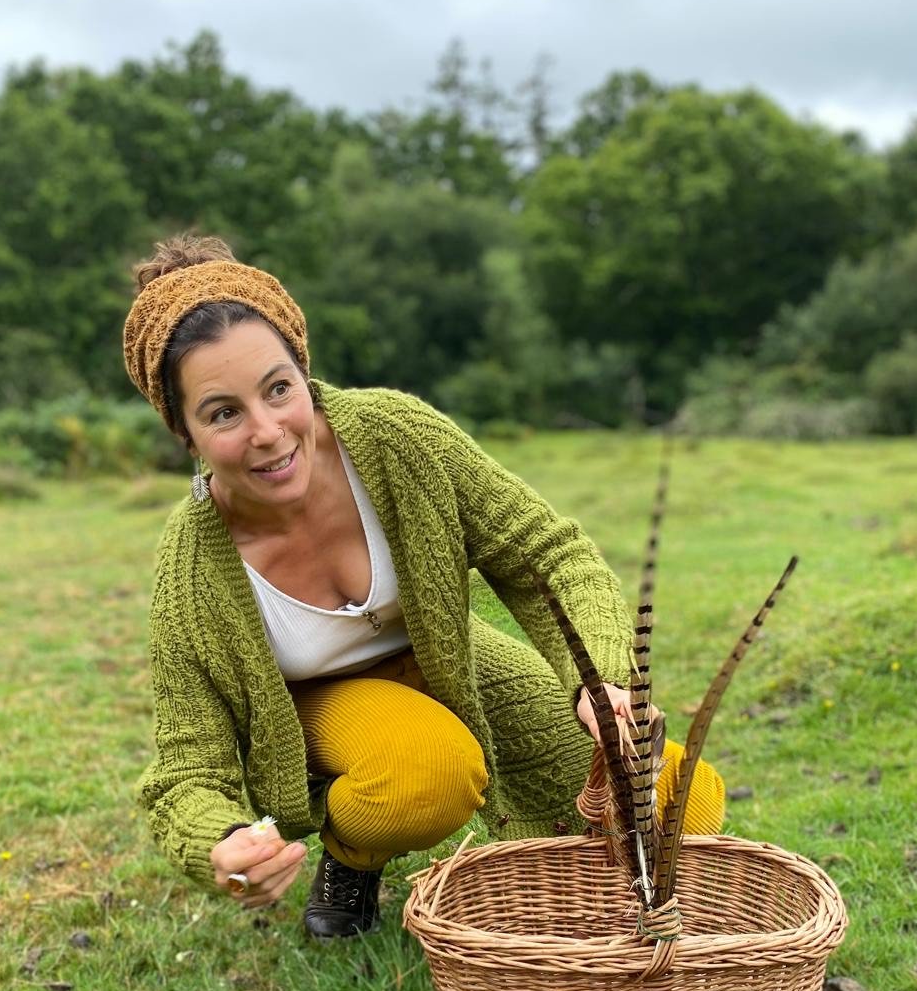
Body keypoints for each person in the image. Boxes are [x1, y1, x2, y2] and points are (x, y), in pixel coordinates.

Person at [124, 236, 725, 938]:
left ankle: (583, 895)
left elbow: (548, 554)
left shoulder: (394, 438)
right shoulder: (191, 568)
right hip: (325, 700)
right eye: (224, 413)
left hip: (452, 659)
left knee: (688, 805)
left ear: (304, 374)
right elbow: (184, 767)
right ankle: (355, 855)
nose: (267, 432)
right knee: (428, 772)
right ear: (185, 432)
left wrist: (603, 682)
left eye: (278, 389)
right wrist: (219, 842)